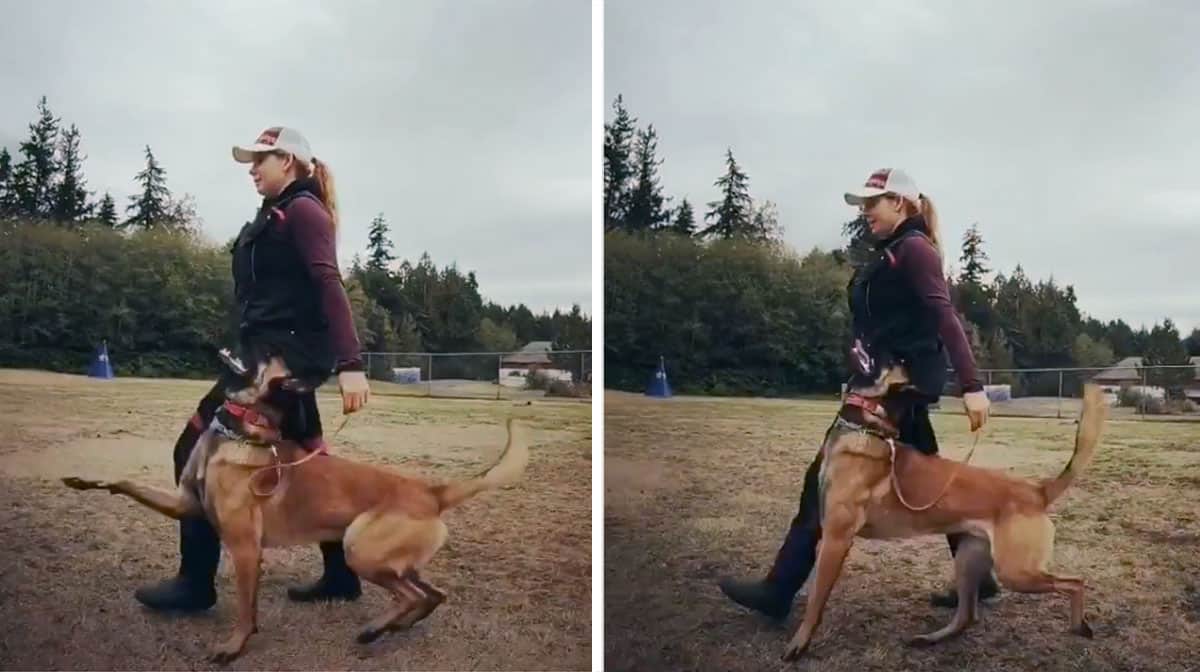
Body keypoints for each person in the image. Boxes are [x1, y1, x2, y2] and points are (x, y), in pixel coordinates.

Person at [717, 168, 994, 620]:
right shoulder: (891, 253)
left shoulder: (914, 250)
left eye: (873, 202)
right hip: (886, 384)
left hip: (893, 391)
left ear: (900, 203)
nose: (865, 212)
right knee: (937, 485)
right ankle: (981, 578)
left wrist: (972, 386)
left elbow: (946, 317)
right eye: (863, 204)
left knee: (822, 480)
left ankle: (778, 590)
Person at [134, 126, 371, 611]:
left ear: (288, 161)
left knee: (194, 450)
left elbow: (328, 281)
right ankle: (341, 574)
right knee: (310, 457)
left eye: (260, 159)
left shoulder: (303, 211)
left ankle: (195, 582)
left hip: (277, 364)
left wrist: (352, 364)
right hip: (272, 356)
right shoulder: (279, 214)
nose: (251, 168)